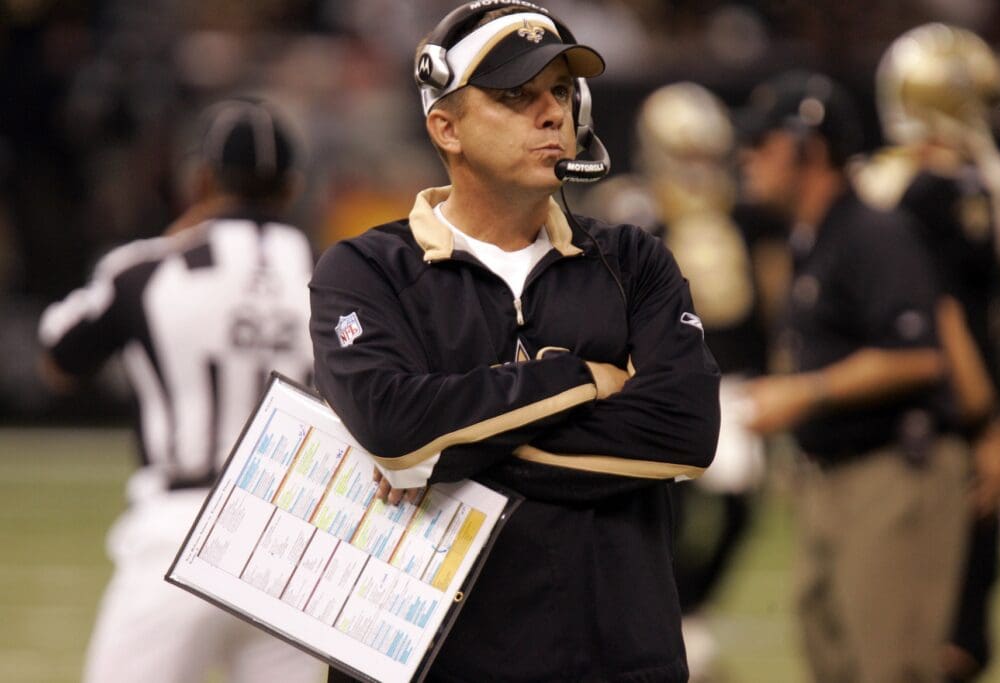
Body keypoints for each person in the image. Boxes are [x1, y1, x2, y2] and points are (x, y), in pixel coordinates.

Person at [309, 2, 721, 681]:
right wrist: (583, 378)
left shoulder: (633, 260)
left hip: (616, 664)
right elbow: (396, 429)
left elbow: (684, 430)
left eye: (560, 91)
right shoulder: (364, 269)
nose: (552, 112)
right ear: (446, 126)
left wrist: (451, 452)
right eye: (514, 95)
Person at [37, 98, 326, 683]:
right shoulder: (335, 277)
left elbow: (60, 358)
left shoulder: (147, 270)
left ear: (200, 180)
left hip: (179, 529)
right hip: (295, 541)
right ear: (292, 188)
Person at [737, 70, 975, 683]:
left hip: (892, 470)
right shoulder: (812, 238)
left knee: (889, 665)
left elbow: (919, 355)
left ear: (807, 148)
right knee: (832, 656)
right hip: (835, 476)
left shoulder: (873, 232)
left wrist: (805, 393)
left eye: (761, 143)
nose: (747, 158)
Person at [857, 23, 1000, 682]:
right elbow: (949, 312)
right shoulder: (945, 191)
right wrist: (989, 422)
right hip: (949, 418)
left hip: (895, 418)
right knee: (954, 631)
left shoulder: (876, 181)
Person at [632, 81, 790, 681]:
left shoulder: (745, 215)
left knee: (740, 509)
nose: (697, 168)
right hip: (671, 383)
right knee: (671, 508)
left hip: (740, 382)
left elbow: (771, 294)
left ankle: (691, 607)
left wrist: (781, 367)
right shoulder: (638, 214)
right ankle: (673, 618)